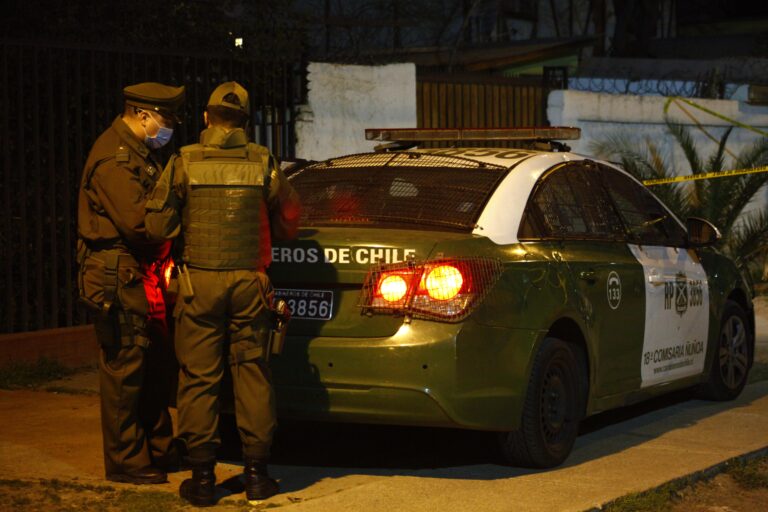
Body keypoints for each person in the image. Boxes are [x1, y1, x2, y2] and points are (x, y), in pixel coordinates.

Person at [145, 81, 301, 506]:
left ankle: (200, 479)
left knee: (198, 379)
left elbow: (157, 226)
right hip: (250, 284)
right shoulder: (263, 162)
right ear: (246, 123)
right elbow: (289, 221)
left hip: (199, 285)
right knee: (252, 373)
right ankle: (256, 476)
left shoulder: (184, 161)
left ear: (206, 117)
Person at [76, 81, 185, 485]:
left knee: (154, 363)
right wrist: (180, 224)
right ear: (142, 115)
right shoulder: (115, 159)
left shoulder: (138, 153)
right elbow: (140, 224)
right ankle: (125, 459)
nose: (170, 126)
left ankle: (157, 449)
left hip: (139, 273)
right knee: (126, 367)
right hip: (117, 274)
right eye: (165, 118)